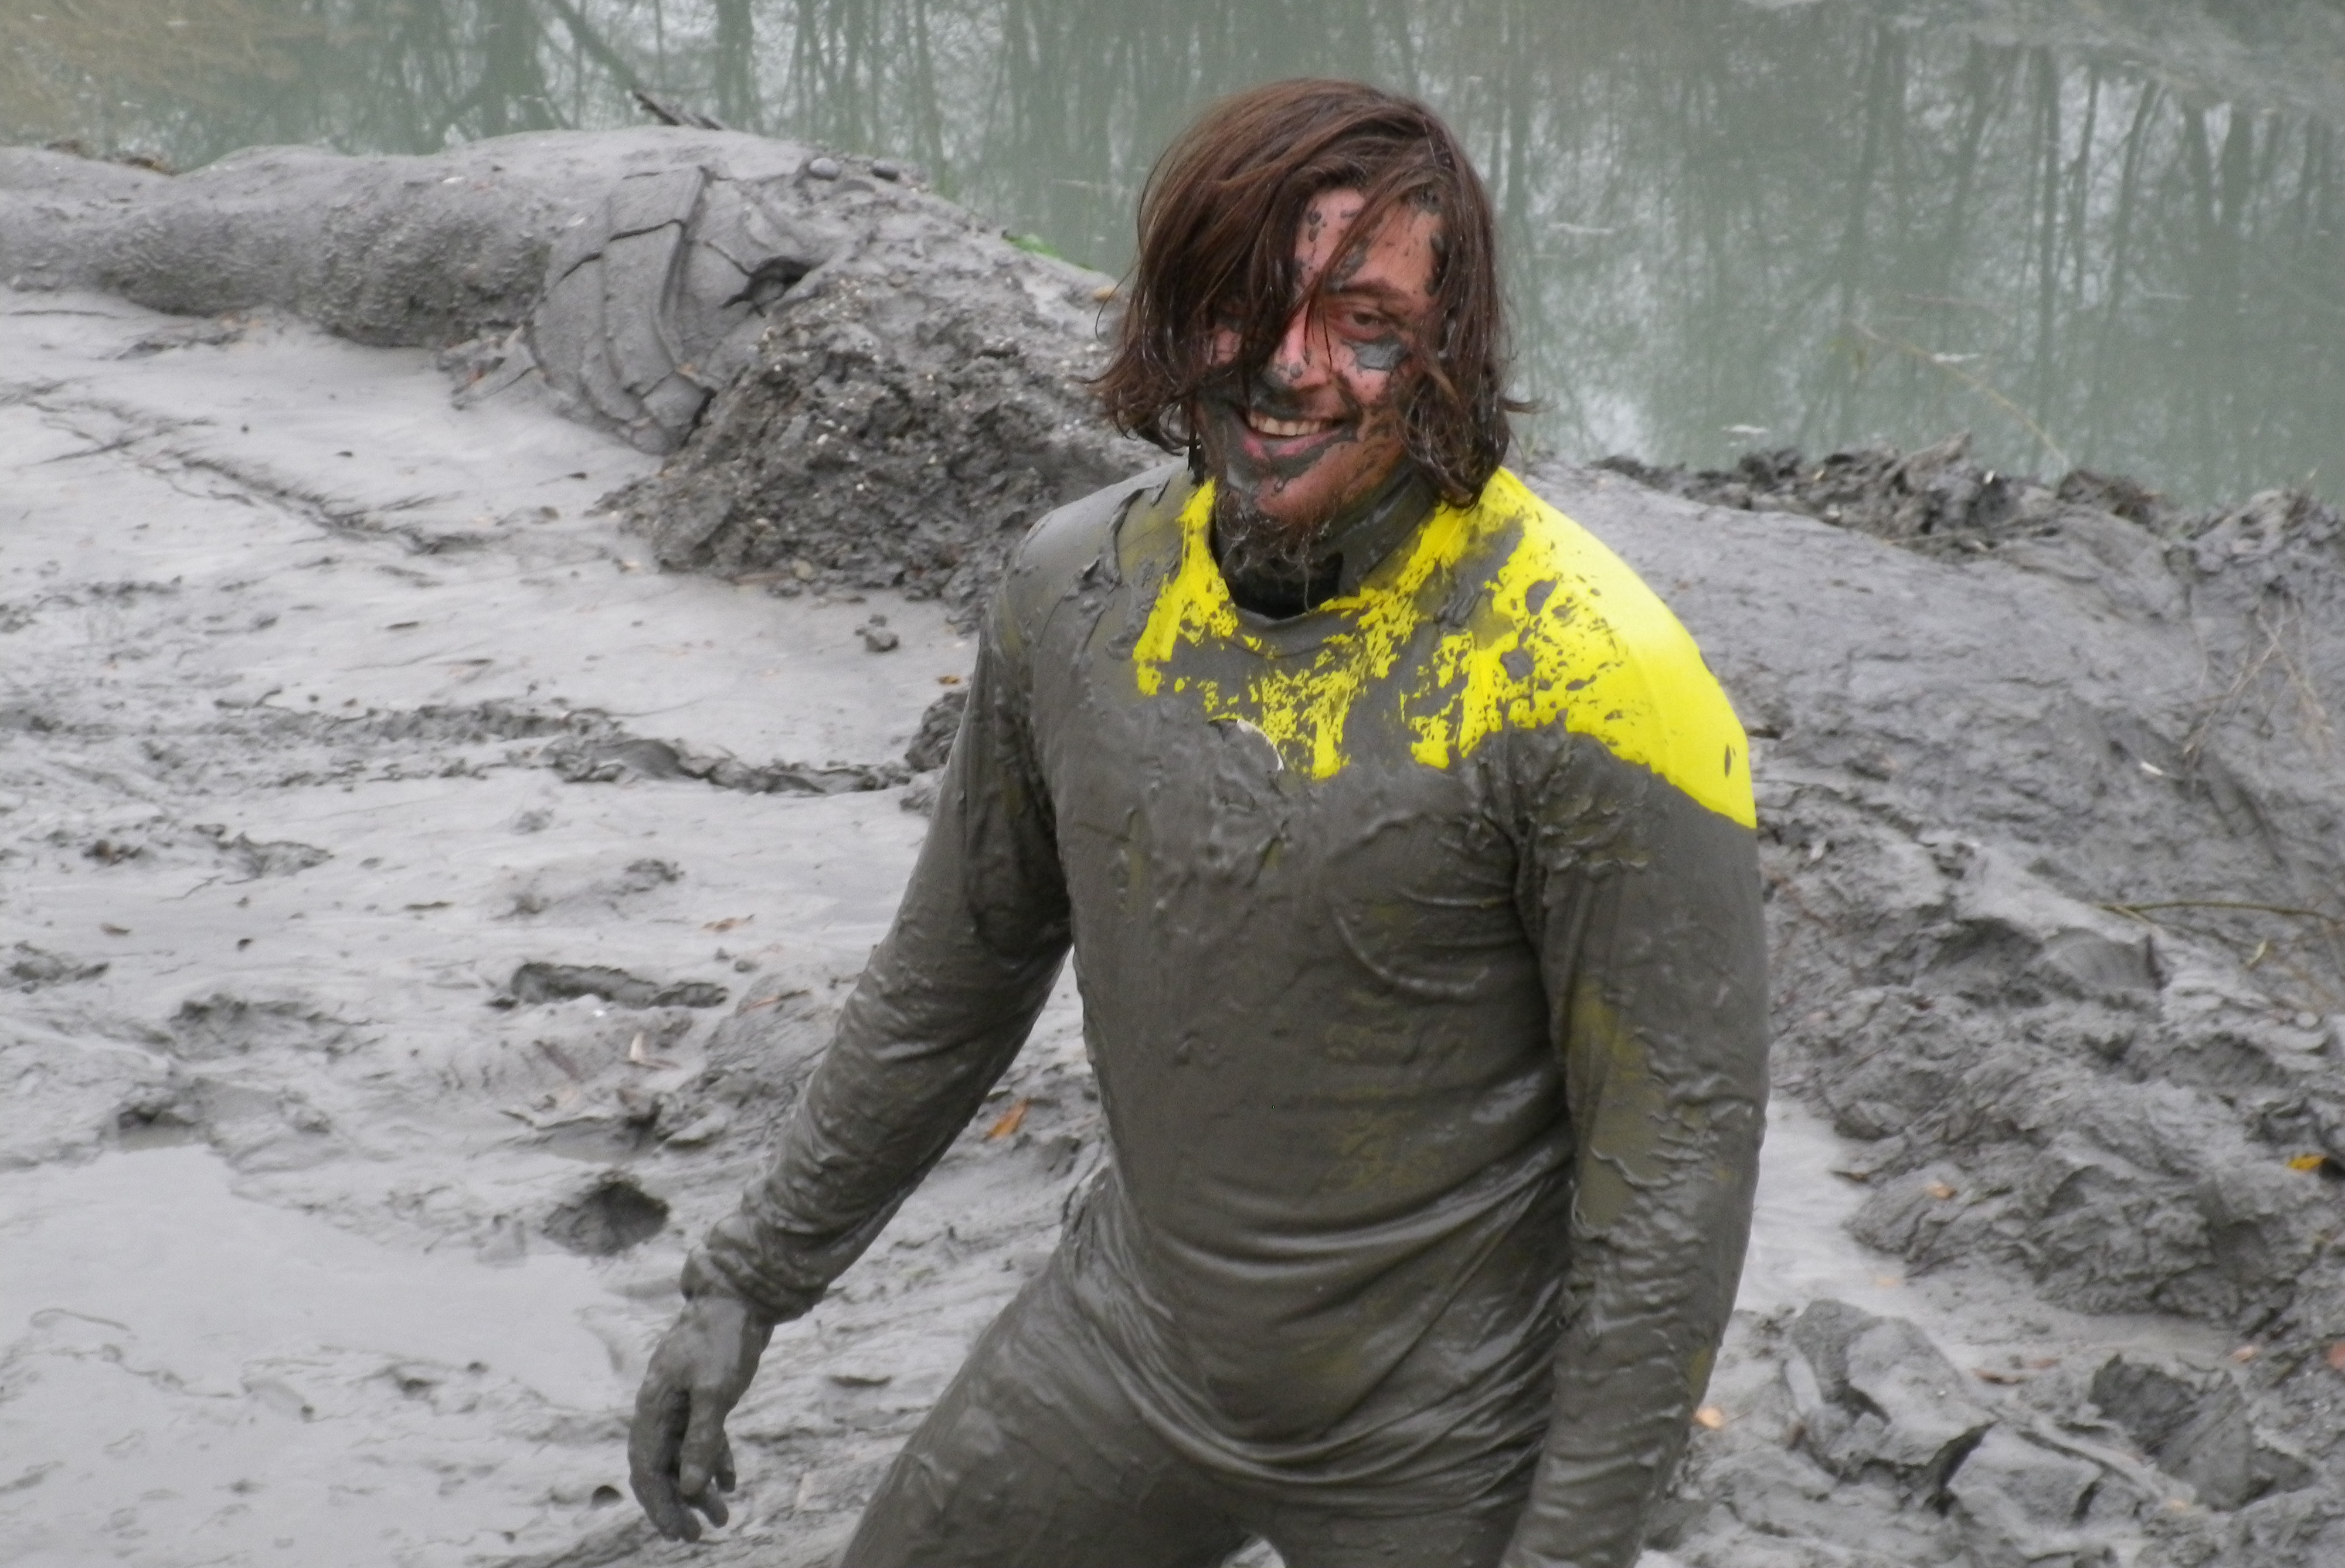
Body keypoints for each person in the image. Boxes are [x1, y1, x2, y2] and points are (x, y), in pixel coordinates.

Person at [628, 77, 1769, 1568]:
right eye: (1244, 304)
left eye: (1363, 321)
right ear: (1176, 317)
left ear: (1447, 348)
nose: (1290, 366)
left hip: (1445, 1428)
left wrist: (1568, 1549)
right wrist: (747, 1281)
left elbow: (1673, 1169)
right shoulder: (1074, 592)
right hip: (1133, 1346)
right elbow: (950, 981)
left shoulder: (1591, 680)